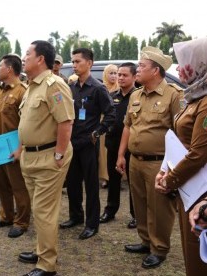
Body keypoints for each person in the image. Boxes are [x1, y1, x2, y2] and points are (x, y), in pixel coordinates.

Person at [116, 46, 183, 269]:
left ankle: (160, 248)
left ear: (155, 71)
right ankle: (146, 241)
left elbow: (181, 132)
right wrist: (121, 155)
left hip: (159, 162)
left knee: (160, 208)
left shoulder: (173, 95)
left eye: (142, 66)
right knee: (140, 204)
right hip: (135, 160)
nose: (137, 70)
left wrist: (173, 167)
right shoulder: (136, 94)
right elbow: (128, 126)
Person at [17, 40, 74, 276]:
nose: (23, 57)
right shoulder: (31, 86)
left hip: (49, 156)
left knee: (44, 211)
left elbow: (66, 121)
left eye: (27, 53)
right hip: (31, 157)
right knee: (38, 209)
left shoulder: (54, 85)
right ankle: (42, 249)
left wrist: (59, 154)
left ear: (40, 59)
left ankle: (47, 264)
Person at [154, 37, 207, 275]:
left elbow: (198, 153)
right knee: (190, 248)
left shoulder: (205, 101)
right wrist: (165, 171)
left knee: (198, 254)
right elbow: (177, 142)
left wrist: (169, 180)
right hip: (187, 185)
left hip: (200, 190)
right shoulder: (194, 96)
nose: (179, 68)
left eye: (185, 62)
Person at [60, 48, 115, 240]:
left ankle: (92, 224)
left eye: (77, 62)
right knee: (73, 183)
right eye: (72, 62)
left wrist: (97, 132)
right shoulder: (72, 87)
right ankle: (75, 216)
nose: (74, 65)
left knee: (91, 186)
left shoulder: (98, 88)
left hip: (88, 144)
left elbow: (111, 115)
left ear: (89, 63)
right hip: (72, 143)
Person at [0, 54, 31, 238]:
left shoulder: (23, 91)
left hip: (13, 145)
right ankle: (6, 216)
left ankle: (21, 221)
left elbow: (27, 123)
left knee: (18, 185)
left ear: (10, 69)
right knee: (1, 183)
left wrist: (21, 148)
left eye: (0, 66)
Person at [100, 62, 137, 226]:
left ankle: (135, 214)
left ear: (134, 77)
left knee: (133, 183)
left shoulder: (138, 96)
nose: (120, 78)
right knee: (113, 179)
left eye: (124, 75)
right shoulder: (113, 95)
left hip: (132, 146)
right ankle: (110, 210)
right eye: (119, 75)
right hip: (113, 143)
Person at [98, 64, 119, 188]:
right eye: (110, 73)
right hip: (104, 123)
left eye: (115, 73)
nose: (114, 76)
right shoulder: (101, 88)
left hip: (117, 124)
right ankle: (105, 177)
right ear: (105, 74)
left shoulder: (121, 88)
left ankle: (118, 176)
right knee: (104, 152)